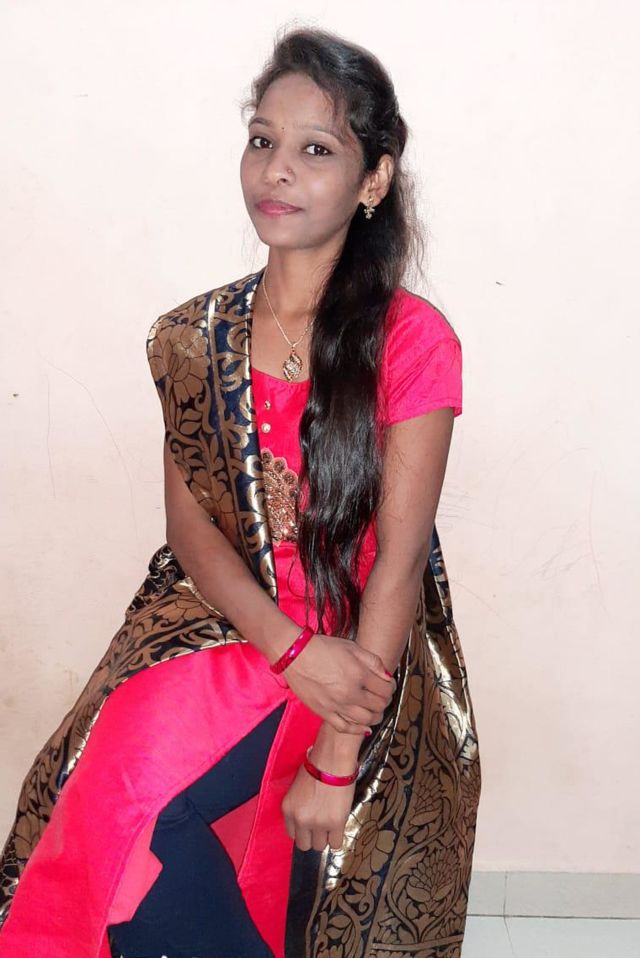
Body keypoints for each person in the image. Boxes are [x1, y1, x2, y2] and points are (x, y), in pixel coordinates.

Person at [0, 26, 481, 958]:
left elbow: (398, 562)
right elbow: (190, 533)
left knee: (151, 837)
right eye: (263, 140)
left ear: (374, 179)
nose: (278, 170)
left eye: (316, 149)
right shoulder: (197, 337)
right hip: (224, 625)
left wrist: (337, 751)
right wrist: (286, 649)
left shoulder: (410, 340)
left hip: (361, 647)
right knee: (90, 809)